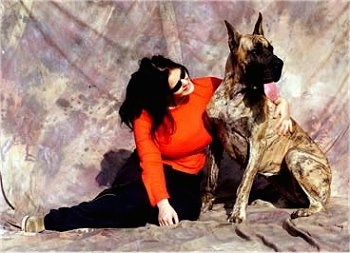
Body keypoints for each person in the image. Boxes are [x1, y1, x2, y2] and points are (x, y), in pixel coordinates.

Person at [21, 55, 292, 232]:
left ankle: (118, 204)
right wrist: (161, 203)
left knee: (186, 212)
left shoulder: (206, 87)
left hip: (186, 177)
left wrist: (281, 104)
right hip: (150, 171)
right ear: (162, 97)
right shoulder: (145, 116)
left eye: (184, 74)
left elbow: (248, 84)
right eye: (178, 85)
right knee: (138, 206)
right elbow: (150, 161)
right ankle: (53, 220)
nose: (188, 83)